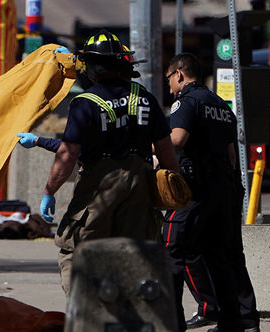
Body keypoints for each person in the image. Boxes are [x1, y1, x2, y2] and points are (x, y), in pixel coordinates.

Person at [36, 31, 178, 296]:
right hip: (140, 188)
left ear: (92, 66)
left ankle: (87, 310)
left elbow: (68, 154)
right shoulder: (145, 98)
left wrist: (49, 191)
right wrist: (171, 184)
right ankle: (133, 312)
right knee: (136, 255)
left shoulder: (85, 103)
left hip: (98, 188)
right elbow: (166, 151)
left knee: (77, 251)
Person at [164, 53, 259, 332]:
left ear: (179, 74)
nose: (169, 85)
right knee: (220, 256)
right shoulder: (220, 105)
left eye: (169, 79)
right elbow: (231, 155)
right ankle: (231, 326)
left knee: (171, 248)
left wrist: (152, 144)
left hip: (193, 189)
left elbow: (177, 139)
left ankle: (170, 322)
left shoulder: (186, 101)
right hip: (222, 188)